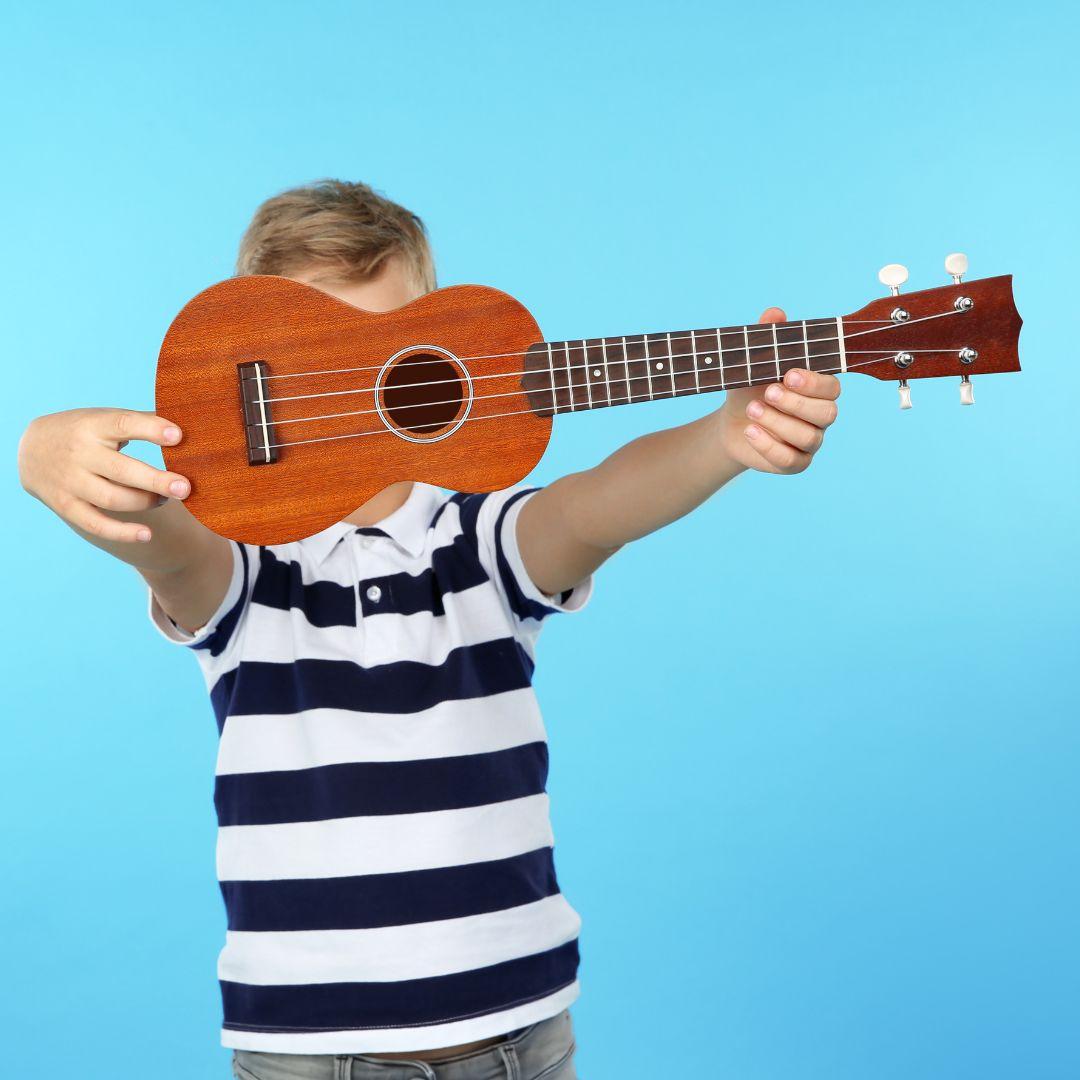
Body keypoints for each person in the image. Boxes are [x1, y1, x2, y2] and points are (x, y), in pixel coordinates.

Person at [17, 180, 841, 1080]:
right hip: (306, 1056)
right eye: (315, 362)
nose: (350, 396)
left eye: (386, 358)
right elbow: (162, 542)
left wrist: (725, 435)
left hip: (520, 1038)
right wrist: (43, 455)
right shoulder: (244, 570)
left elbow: (597, 506)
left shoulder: (480, 542)